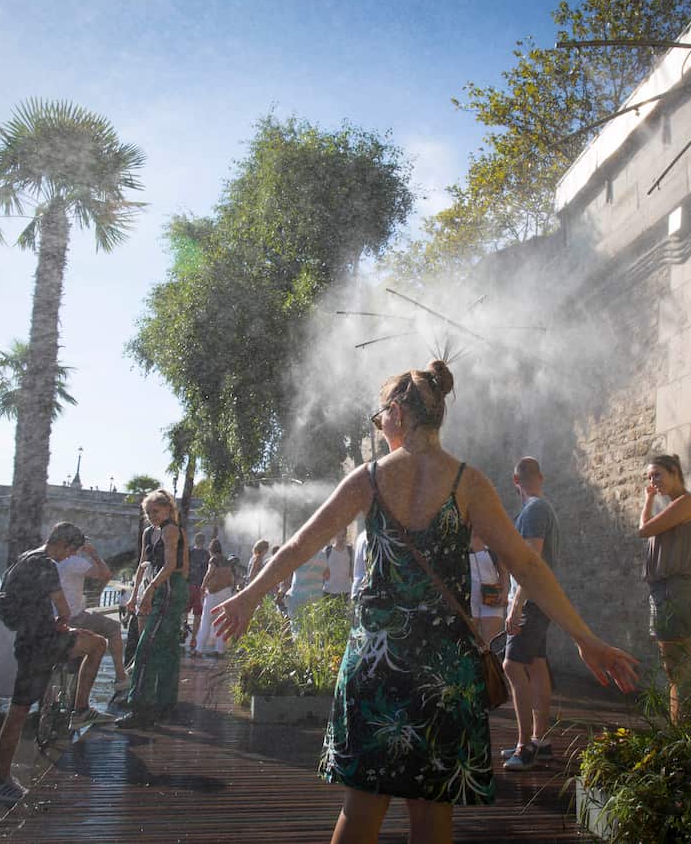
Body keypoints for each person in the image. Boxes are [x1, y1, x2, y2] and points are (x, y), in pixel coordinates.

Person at [212, 360, 638, 843]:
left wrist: (248, 597)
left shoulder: (368, 480)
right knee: (433, 815)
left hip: (376, 664)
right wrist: (584, 638)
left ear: (397, 413)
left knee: (361, 808)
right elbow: (526, 564)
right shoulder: (469, 483)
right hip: (445, 670)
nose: (379, 428)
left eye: (379, 419)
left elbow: (296, 549)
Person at [0, 522, 110, 805]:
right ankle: (80, 709)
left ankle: (1, 779)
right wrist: (62, 624)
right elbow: (64, 610)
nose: (69, 558)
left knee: (17, 711)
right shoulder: (48, 566)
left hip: (26, 641)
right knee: (98, 644)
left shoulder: (24, 559)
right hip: (45, 645)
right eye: (71, 552)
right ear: (65, 546)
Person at [501, 456, 560, 771]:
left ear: (515, 481)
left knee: (512, 666)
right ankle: (542, 740)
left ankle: (525, 748)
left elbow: (531, 562)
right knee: (536, 666)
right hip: (539, 601)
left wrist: (516, 603)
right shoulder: (538, 509)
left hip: (531, 602)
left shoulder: (535, 510)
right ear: (542, 476)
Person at [639, 453, 691, 724]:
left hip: (677, 589)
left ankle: (689, 727)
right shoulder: (669, 508)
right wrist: (651, 500)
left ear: (674, 472)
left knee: (681, 664)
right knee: (672, 665)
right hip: (662, 589)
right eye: (649, 477)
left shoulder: (686, 502)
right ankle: (682, 727)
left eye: (657, 474)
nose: (653, 481)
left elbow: (643, 530)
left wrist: (648, 499)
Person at [116, 490, 189, 729]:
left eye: (155, 511)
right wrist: (136, 593)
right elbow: (143, 565)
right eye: (148, 513)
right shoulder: (149, 533)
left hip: (169, 587)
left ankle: (141, 707)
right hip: (157, 586)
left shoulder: (172, 530)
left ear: (168, 509)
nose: (152, 516)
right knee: (166, 647)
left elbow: (171, 566)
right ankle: (164, 702)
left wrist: (150, 591)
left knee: (147, 646)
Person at [57, 539, 130, 693]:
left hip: (56, 617)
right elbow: (106, 574)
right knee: (113, 627)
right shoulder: (74, 561)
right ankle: (120, 677)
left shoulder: (53, 561)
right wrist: (93, 554)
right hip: (74, 617)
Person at [195, 539, 235, 657]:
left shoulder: (214, 560)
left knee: (206, 620)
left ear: (211, 550)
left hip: (214, 593)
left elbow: (209, 573)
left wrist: (202, 587)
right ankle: (220, 650)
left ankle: (199, 649)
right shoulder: (226, 560)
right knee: (221, 622)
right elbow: (232, 578)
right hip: (226, 592)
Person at [467, 534, 507, 647]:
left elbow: (503, 572)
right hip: (467, 599)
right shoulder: (459, 540)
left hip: (492, 596)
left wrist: (504, 593)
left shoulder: (491, 540)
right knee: (469, 644)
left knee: (492, 647)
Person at [185, 530, 209, 655]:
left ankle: (182, 627)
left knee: (184, 611)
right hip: (200, 587)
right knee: (197, 615)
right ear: (204, 542)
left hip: (188, 585)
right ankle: (193, 639)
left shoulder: (189, 552)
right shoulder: (207, 554)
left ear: (195, 541)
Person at [322, 530, 353, 601]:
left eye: (343, 536)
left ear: (346, 536)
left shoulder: (350, 550)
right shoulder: (327, 550)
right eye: (339, 536)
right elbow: (322, 571)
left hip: (345, 592)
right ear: (335, 536)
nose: (341, 539)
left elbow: (352, 571)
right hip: (329, 592)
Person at [348, 527, 369, 601]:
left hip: (357, 587)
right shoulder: (369, 537)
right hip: (364, 590)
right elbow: (368, 565)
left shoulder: (361, 535)